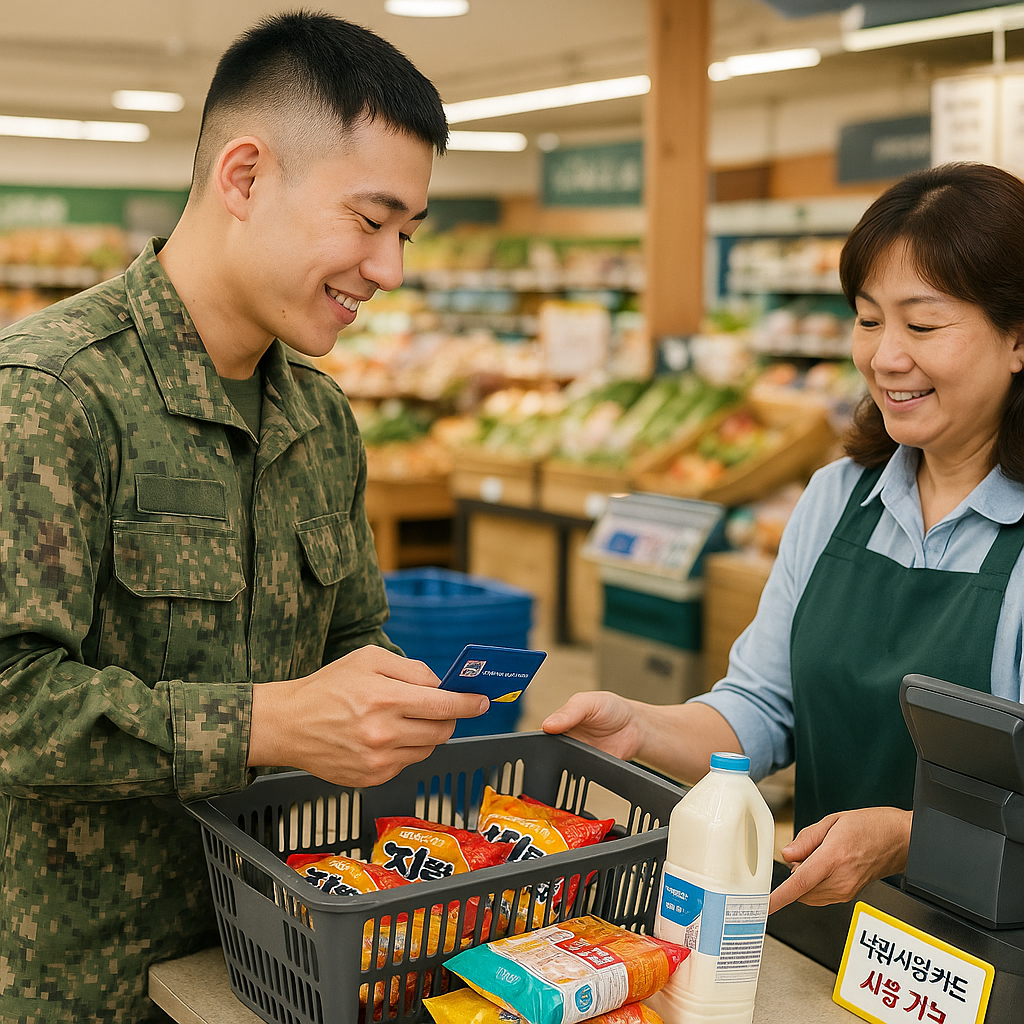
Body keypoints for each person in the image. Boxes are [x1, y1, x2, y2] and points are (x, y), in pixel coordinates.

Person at [0, 12, 489, 1022]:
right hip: (80, 982)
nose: (390, 268)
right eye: (369, 220)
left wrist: (395, 703)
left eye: (406, 232)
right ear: (244, 177)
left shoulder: (321, 419)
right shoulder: (50, 394)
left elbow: (352, 634)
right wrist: (271, 720)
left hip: (281, 956)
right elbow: (12, 698)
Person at [545, 161, 1024, 916]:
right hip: (831, 933)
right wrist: (642, 726)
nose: (885, 356)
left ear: (1017, 337)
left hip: (991, 958)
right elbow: (762, 711)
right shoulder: (837, 499)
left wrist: (906, 835)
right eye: (868, 319)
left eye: (923, 324)